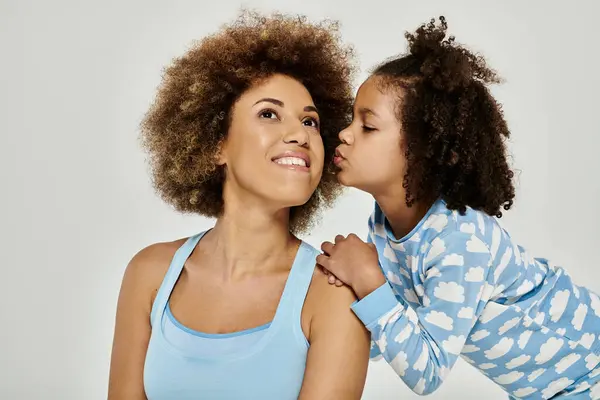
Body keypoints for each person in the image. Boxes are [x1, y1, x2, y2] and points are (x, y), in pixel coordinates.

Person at [318, 16, 600, 399]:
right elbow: (392, 334)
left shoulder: (459, 240)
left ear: (422, 151)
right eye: (352, 119)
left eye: (367, 126)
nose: (345, 134)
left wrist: (369, 280)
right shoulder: (384, 226)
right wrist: (335, 299)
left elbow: (427, 371)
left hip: (588, 373)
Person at [107, 11, 370, 400]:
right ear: (216, 144)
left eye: (311, 122)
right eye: (269, 114)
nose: (299, 133)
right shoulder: (149, 275)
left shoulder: (332, 292)